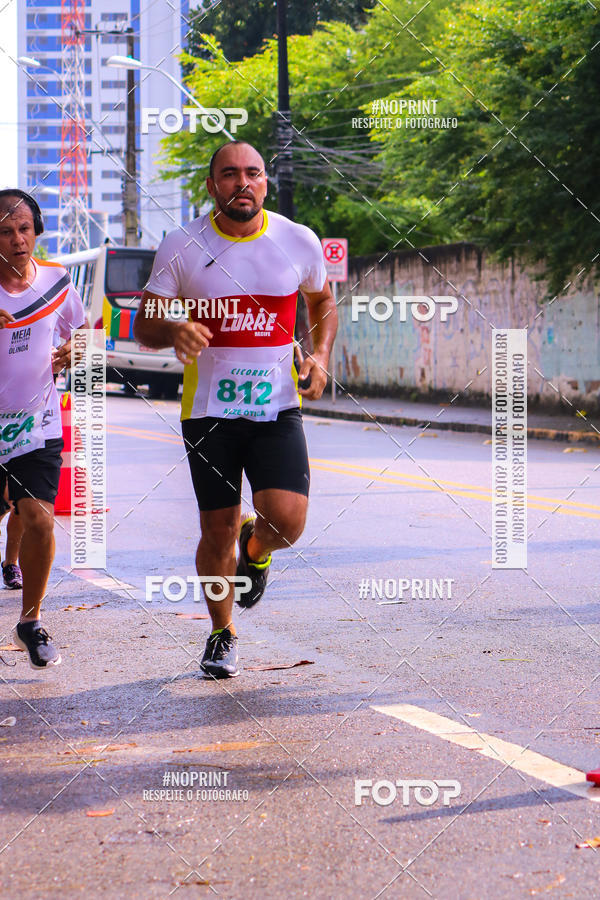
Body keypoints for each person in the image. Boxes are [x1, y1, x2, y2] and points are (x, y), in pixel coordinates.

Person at [134, 140, 337, 679]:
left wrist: (319, 354)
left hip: (277, 407)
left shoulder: (297, 240)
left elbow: (321, 301)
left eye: (253, 173)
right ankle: (222, 633)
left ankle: (258, 544)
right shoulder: (181, 245)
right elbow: (145, 325)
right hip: (209, 413)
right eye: (229, 174)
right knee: (217, 527)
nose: (242, 183)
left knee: (287, 522)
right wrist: (174, 329)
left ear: (265, 183)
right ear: (212, 186)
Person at [0, 189, 85, 668]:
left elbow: (88, 334)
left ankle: (30, 621)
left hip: (37, 423)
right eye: (5, 232)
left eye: (24, 229)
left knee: (39, 518)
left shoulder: (57, 281)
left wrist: (77, 351)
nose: (17, 240)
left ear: (37, 232)